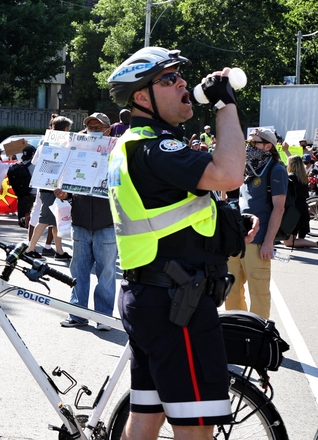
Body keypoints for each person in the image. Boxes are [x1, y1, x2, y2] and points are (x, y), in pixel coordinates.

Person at [107, 47, 249, 436]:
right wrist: (224, 105)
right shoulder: (157, 147)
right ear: (141, 97)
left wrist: (226, 226)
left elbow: (170, 213)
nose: (182, 82)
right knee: (196, 428)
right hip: (177, 304)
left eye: (181, 76)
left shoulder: (132, 145)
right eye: (168, 79)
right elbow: (229, 173)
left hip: (151, 297)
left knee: (146, 418)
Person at [58, 112, 117, 330]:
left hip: (107, 223)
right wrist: (65, 193)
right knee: (79, 271)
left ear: (108, 130)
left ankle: (104, 318)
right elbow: (67, 183)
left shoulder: (117, 153)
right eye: (90, 128)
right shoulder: (76, 152)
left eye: (99, 128)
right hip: (80, 221)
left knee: (107, 273)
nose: (94, 131)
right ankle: (77, 315)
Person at [225, 127, 286, 320]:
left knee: (258, 294)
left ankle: (258, 338)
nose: (248, 147)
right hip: (238, 240)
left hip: (258, 242)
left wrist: (269, 243)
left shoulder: (276, 170)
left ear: (268, 146)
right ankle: (237, 331)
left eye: (253, 143)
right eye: (247, 142)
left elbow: (279, 208)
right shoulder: (249, 168)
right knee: (231, 290)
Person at [28, 116, 72, 261]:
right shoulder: (67, 146)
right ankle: (30, 249)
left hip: (45, 185)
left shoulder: (44, 145)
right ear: (66, 130)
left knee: (56, 220)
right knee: (46, 218)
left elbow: (35, 162)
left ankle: (59, 251)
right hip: (55, 187)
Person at [282, 154, 316, 247]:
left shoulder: (291, 177)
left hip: (293, 210)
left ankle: (315, 244)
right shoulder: (303, 177)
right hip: (302, 208)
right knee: (293, 237)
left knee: (288, 242)